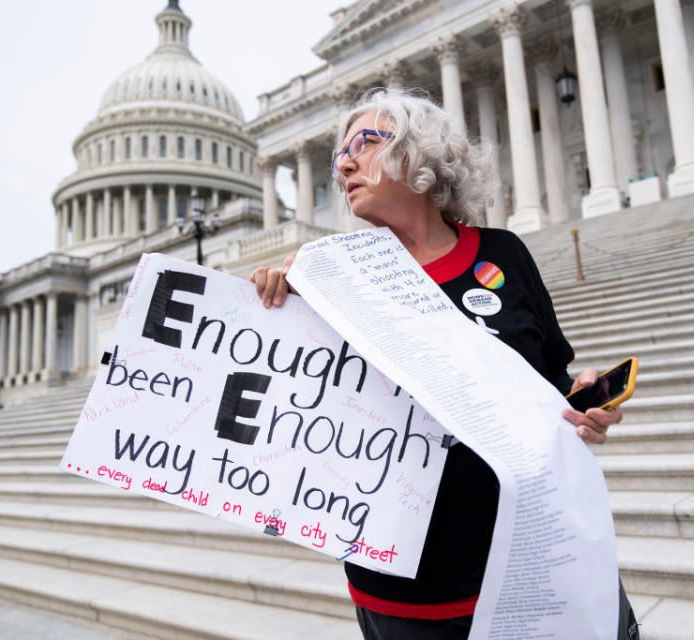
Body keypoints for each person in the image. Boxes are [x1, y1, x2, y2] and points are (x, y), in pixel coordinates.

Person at [250, 89, 637, 640]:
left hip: (537, 554)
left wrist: (582, 407)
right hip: (407, 586)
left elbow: (550, 378)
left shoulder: (502, 254)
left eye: (366, 142)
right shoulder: (332, 278)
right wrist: (275, 304)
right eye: (341, 153)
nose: (344, 161)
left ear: (420, 155)